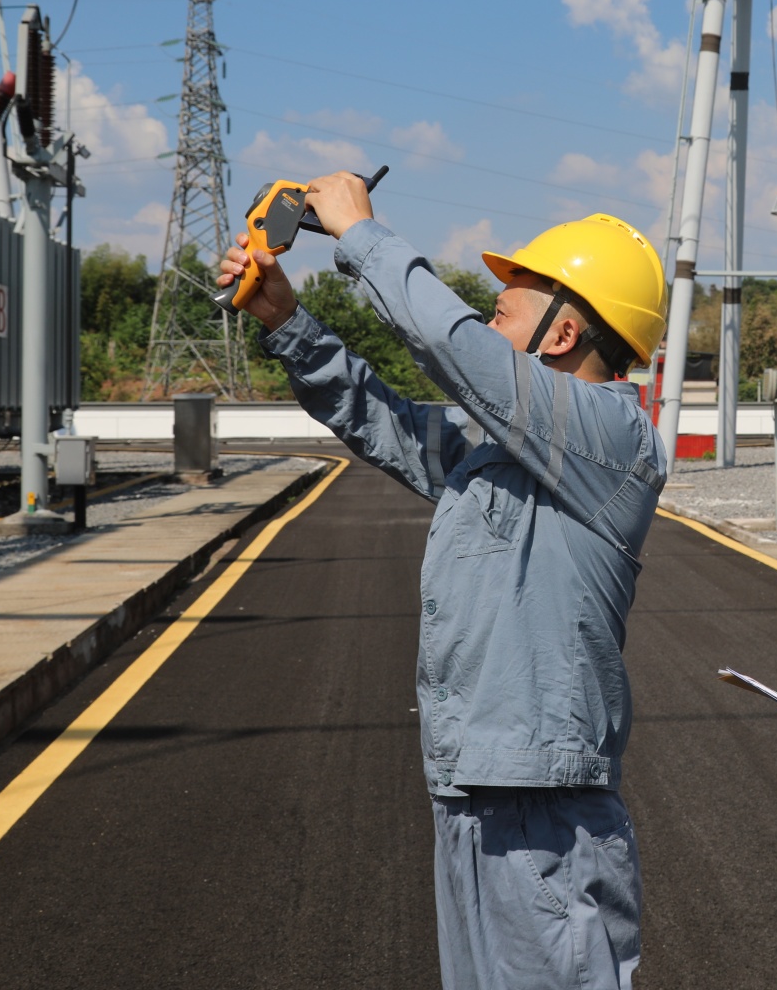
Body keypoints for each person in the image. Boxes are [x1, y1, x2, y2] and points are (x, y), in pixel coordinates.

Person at [219, 173, 668, 990]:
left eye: (512, 300)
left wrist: (360, 233)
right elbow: (386, 422)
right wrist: (285, 320)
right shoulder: (508, 449)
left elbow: (456, 349)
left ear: (564, 333)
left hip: (544, 813)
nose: (492, 305)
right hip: (473, 791)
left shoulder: (615, 438)